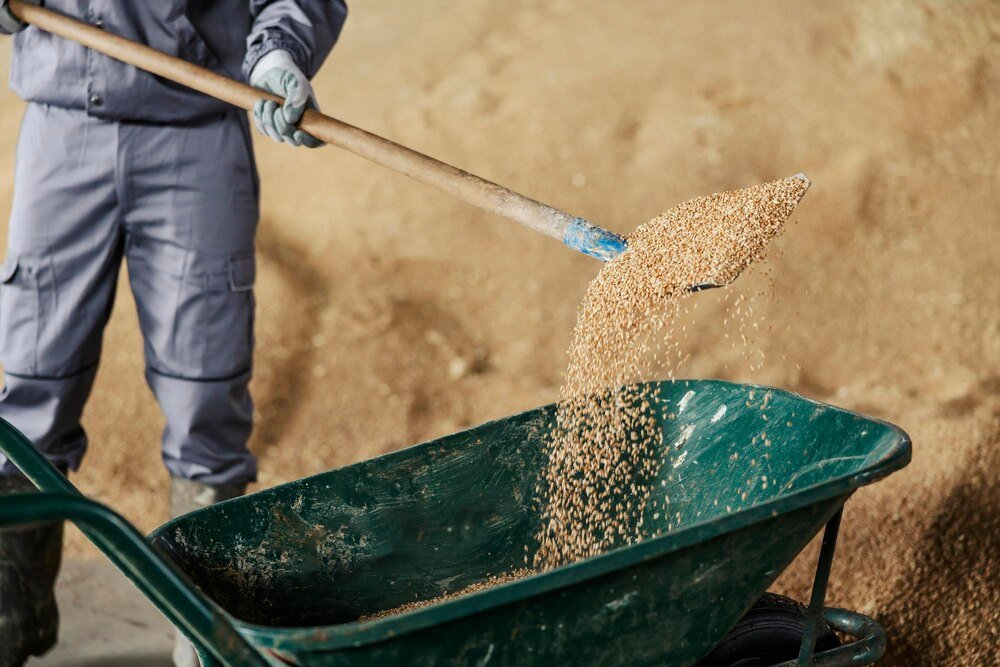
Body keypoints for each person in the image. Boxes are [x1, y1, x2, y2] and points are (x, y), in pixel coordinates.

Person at [0, 1, 347, 665]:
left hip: (196, 128)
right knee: (33, 391)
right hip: (62, 123)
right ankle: (9, 615)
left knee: (206, 400)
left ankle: (205, 641)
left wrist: (279, 53)